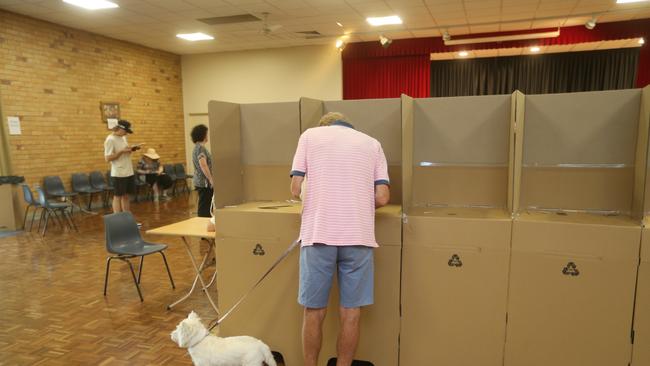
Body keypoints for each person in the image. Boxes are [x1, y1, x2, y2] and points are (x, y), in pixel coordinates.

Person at [289, 112, 390, 366]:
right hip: (359, 237)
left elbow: (295, 188)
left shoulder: (309, 136)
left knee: (314, 311)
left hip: (318, 236)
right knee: (351, 312)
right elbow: (382, 197)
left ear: (324, 126)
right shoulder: (372, 143)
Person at [104, 119, 140, 213]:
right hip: (119, 173)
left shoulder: (123, 137)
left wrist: (132, 149)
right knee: (118, 196)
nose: (126, 134)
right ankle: (118, 218)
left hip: (128, 170)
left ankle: (127, 217)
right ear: (120, 128)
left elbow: (125, 150)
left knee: (126, 195)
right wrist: (121, 152)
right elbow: (108, 158)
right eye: (125, 131)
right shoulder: (110, 140)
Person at [191, 124, 213, 218]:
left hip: (201, 181)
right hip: (204, 182)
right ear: (203, 135)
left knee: (205, 205)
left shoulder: (197, 147)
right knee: (204, 206)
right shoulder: (200, 148)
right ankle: (202, 225)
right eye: (206, 133)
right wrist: (211, 179)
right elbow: (203, 165)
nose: (207, 135)